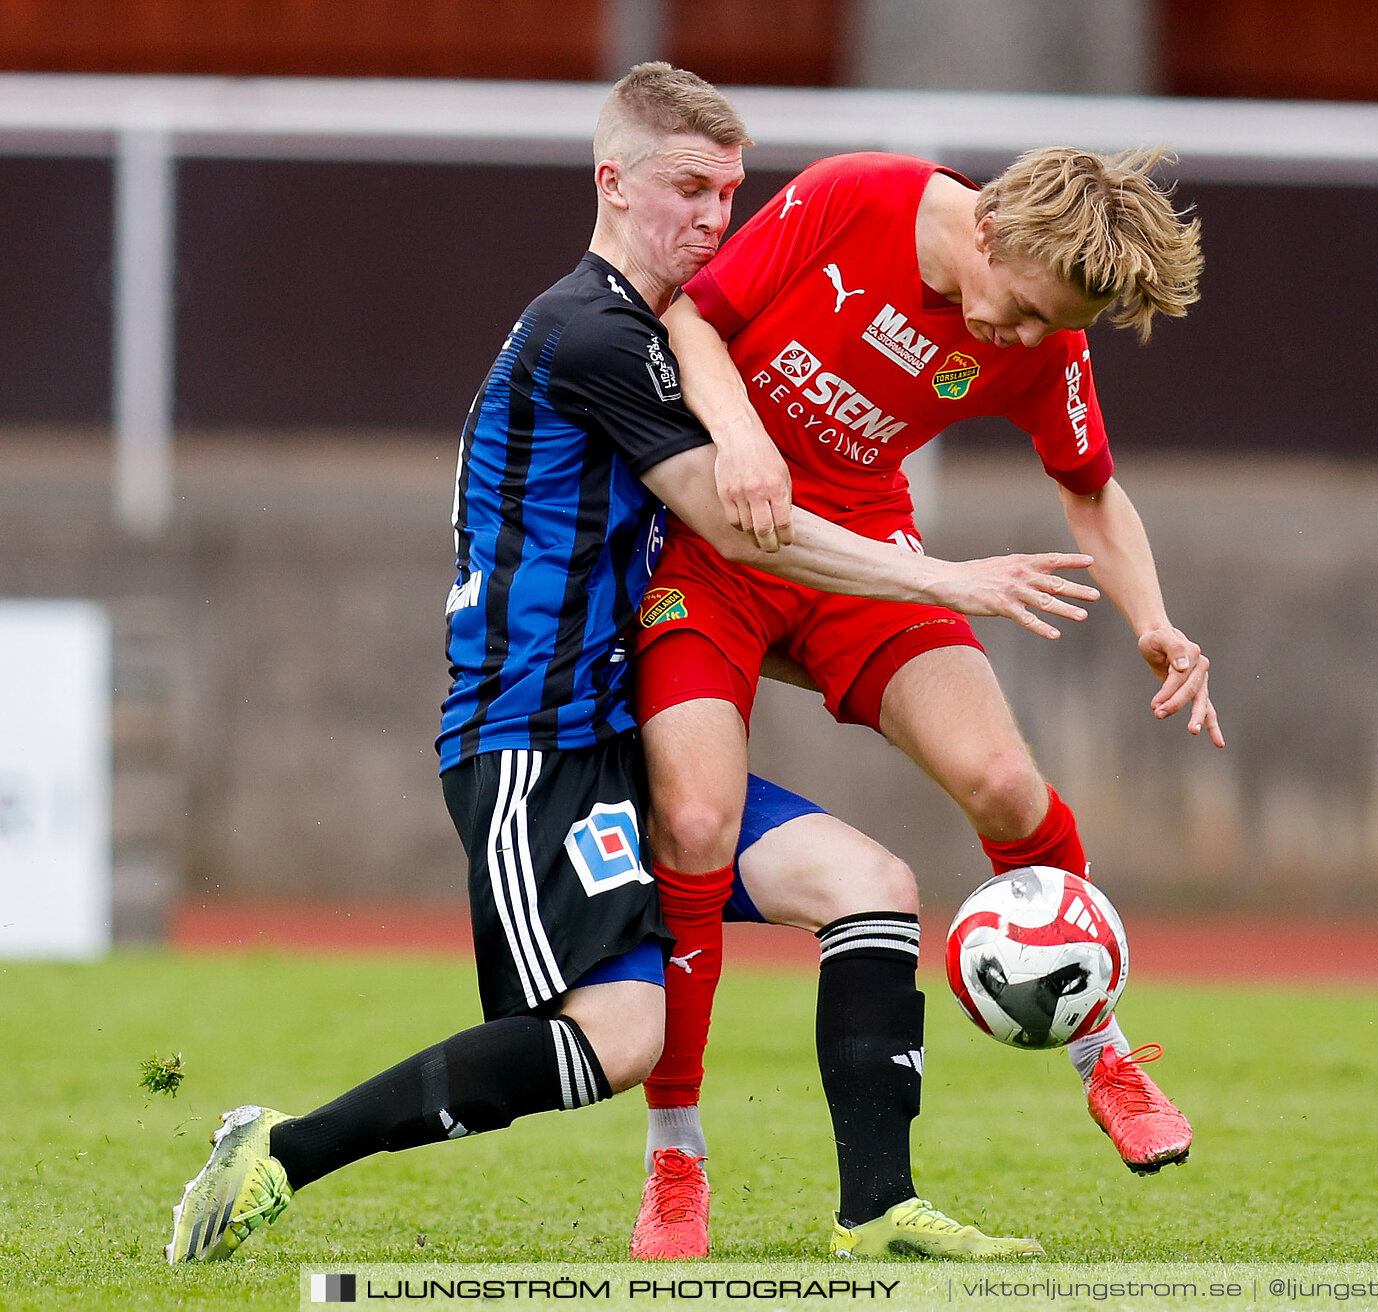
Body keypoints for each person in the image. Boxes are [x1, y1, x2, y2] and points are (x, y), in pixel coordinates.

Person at [166, 64, 1090, 1266]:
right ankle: (281, 1153)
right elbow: (735, 521)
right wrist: (941, 580)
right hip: (531, 743)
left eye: (730, 194)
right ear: (615, 184)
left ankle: (880, 1210)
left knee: (872, 886)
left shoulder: (649, 331)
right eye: (691, 191)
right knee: (616, 1040)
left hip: (613, 731)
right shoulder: (590, 330)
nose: (716, 218)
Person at [626, 145, 1223, 1258]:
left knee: (1003, 779)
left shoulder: (1048, 335)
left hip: (865, 557)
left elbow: (1089, 487)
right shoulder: (857, 197)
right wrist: (745, 444)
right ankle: (676, 1154)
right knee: (696, 819)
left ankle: (1107, 1054)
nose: (1028, 340)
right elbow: (693, 324)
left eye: (1056, 327)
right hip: (712, 551)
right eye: (1027, 311)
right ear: (992, 230)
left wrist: (1155, 621)